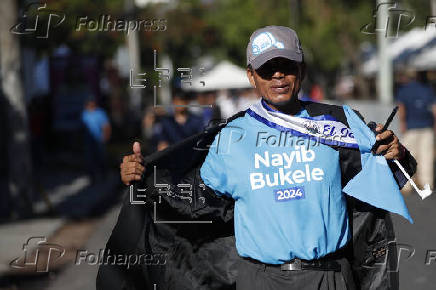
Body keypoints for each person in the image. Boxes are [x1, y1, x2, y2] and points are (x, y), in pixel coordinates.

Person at [102, 26, 416, 290]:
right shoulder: (231, 137)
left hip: (329, 276)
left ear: (301, 71)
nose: (277, 75)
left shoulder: (341, 123)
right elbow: (190, 198)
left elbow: (390, 179)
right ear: (252, 77)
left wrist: (395, 153)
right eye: (267, 69)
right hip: (261, 279)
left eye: (287, 66)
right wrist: (144, 175)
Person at [396, 70, 436, 192]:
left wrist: (402, 123)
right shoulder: (428, 89)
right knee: (426, 157)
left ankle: (406, 185)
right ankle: (427, 184)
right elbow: (435, 110)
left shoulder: (404, 90)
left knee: (407, 157)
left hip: (411, 127)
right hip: (427, 127)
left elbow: (401, 108)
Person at [81, 97, 111, 182]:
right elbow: (83, 126)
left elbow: (106, 126)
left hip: (99, 140)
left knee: (101, 158)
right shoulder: (85, 114)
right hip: (88, 141)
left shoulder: (100, 113)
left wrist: (106, 137)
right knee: (89, 160)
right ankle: (92, 178)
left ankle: (104, 176)